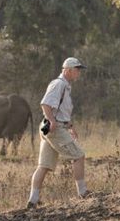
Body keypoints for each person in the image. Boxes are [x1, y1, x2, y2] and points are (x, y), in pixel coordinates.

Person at [27, 57, 89, 209]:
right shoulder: (59, 84)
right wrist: (52, 121)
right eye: (76, 70)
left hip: (51, 127)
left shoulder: (65, 86)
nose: (78, 73)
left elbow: (60, 111)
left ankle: (33, 201)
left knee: (44, 166)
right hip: (54, 128)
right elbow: (45, 104)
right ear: (67, 70)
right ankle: (83, 193)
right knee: (79, 156)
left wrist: (70, 126)